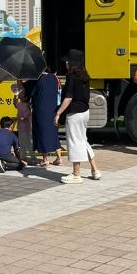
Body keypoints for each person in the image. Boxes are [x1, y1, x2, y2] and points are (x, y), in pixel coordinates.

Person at [54, 50, 101, 184]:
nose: (66, 63)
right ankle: (95, 170)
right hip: (85, 112)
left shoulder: (71, 77)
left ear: (72, 63)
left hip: (74, 113)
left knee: (74, 142)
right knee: (82, 140)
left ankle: (76, 174)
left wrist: (58, 113)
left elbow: (68, 98)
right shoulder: (85, 75)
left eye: (67, 61)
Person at [27, 68, 63, 167]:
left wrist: (19, 80)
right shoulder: (55, 78)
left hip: (40, 111)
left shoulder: (36, 79)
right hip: (53, 110)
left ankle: (45, 159)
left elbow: (27, 92)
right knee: (54, 133)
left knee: (41, 133)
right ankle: (59, 158)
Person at [15, 83, 33, 164]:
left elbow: (25, 116)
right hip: (20, 127)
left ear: (25, 97)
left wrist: (16, 118)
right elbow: (15, 104)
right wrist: (15, 96)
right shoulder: (19, 104)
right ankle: (23, 157)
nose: (20, 93)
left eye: (21, 93)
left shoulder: (26, 105)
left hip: (26, 127)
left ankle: (32, 157)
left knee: (28, 143)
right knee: (21, 143)